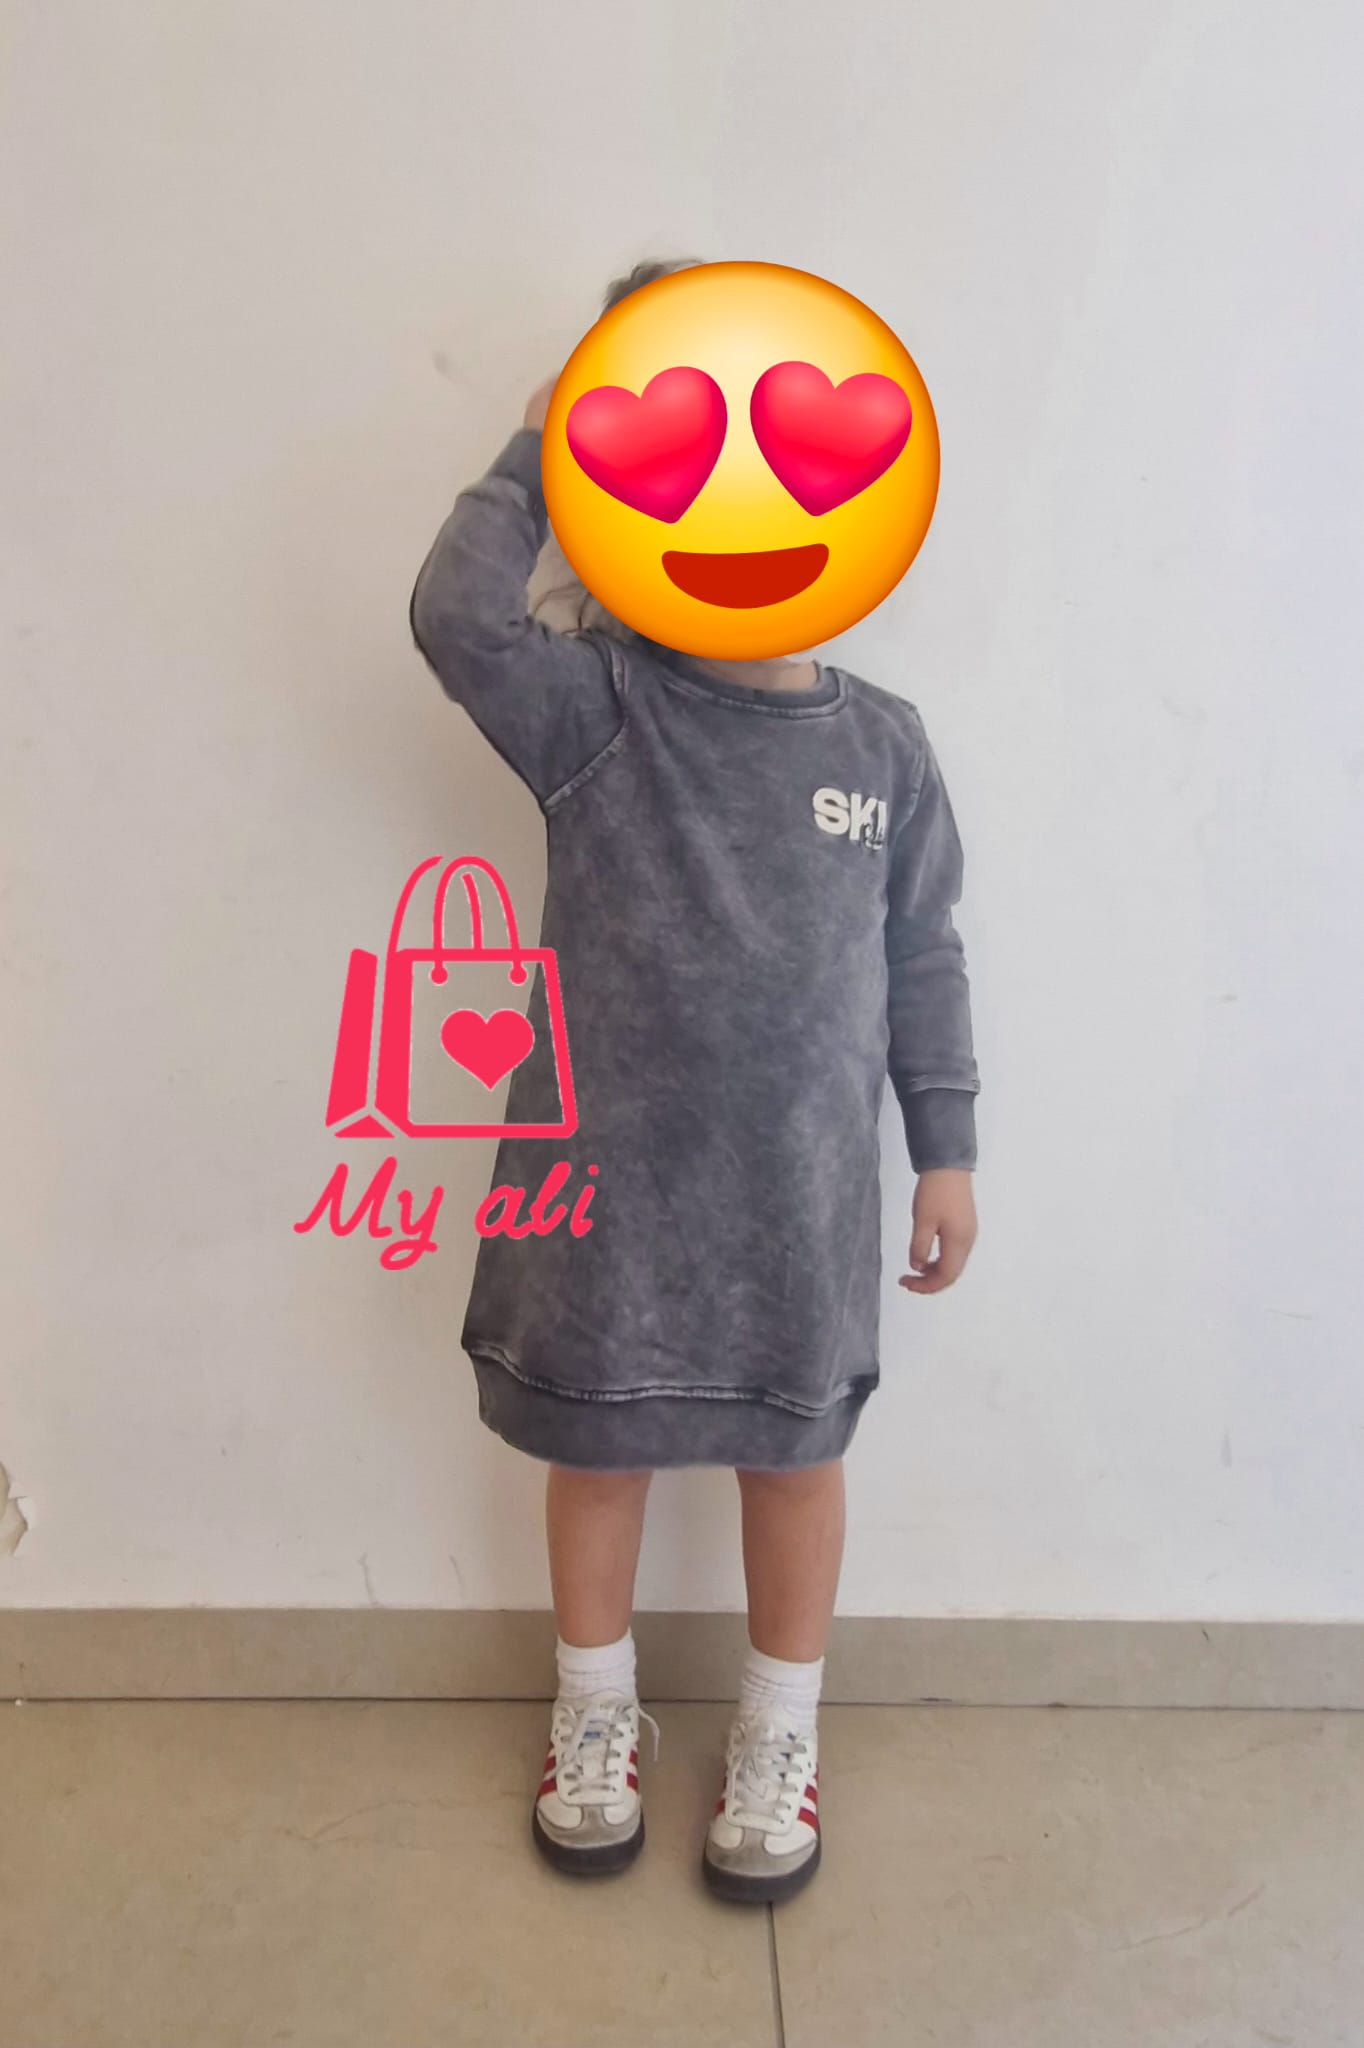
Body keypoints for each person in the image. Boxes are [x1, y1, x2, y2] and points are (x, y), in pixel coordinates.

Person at [407, 258, 980, 1905]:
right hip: (611, 1196)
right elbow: (455, 615)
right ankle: (595, 1711)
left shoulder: (883, 748)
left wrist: (946, 1147)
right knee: (596, 1451)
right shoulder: (595, 708)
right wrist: (546, 437)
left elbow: (923, 953)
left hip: (799, 1203)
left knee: (795, 1460)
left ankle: (780, 1730)